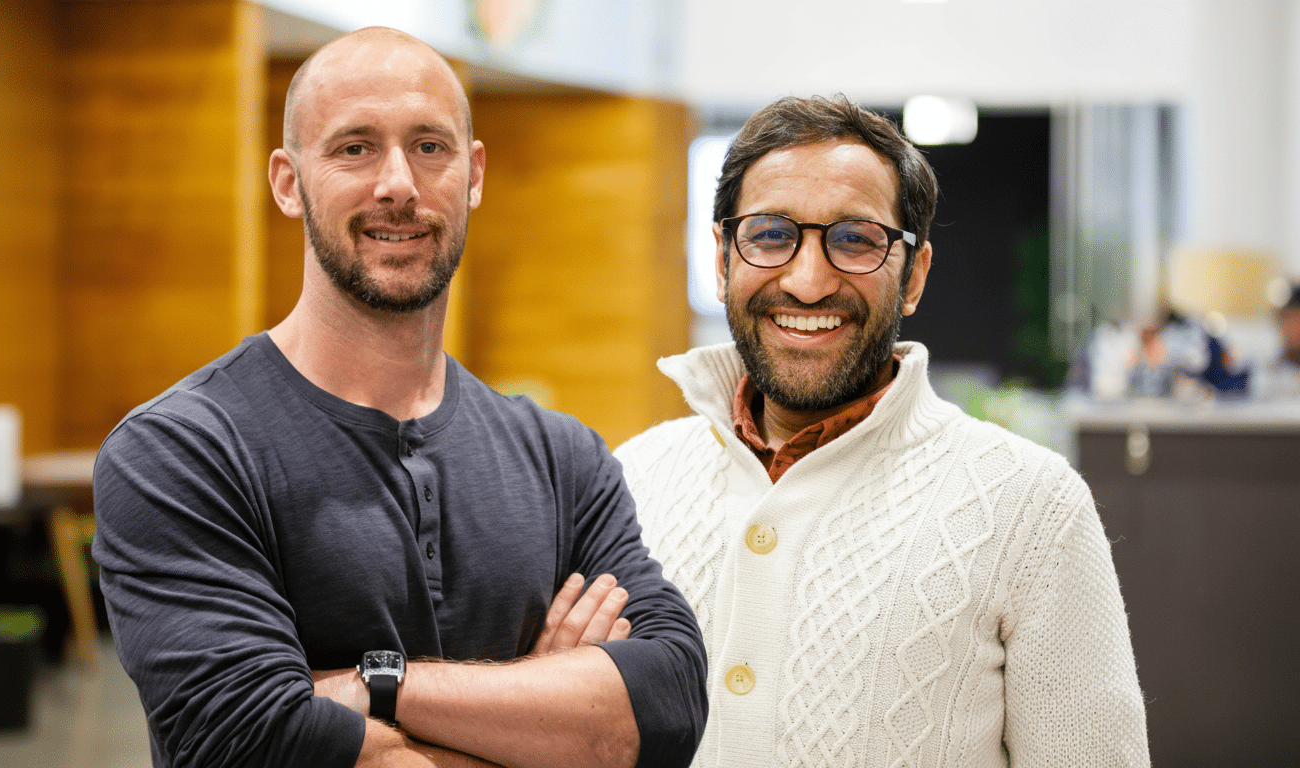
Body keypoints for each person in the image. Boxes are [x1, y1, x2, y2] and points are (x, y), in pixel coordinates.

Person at [91, 27, 705, 768]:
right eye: (354, 147)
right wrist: (545, 718)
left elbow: (666, 707)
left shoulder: (563, 458)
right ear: (289, 182)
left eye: (429, 146)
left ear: (472, 174)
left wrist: (373, 690)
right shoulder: (181, 451)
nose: (398, 185)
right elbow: (247, 743)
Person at [614, 95, 1150, 766]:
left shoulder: (1029, 507)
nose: (807, 282)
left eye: (855, 240)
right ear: (723, 259)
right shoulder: (632, 480)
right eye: (771, 234)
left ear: (914, 275)